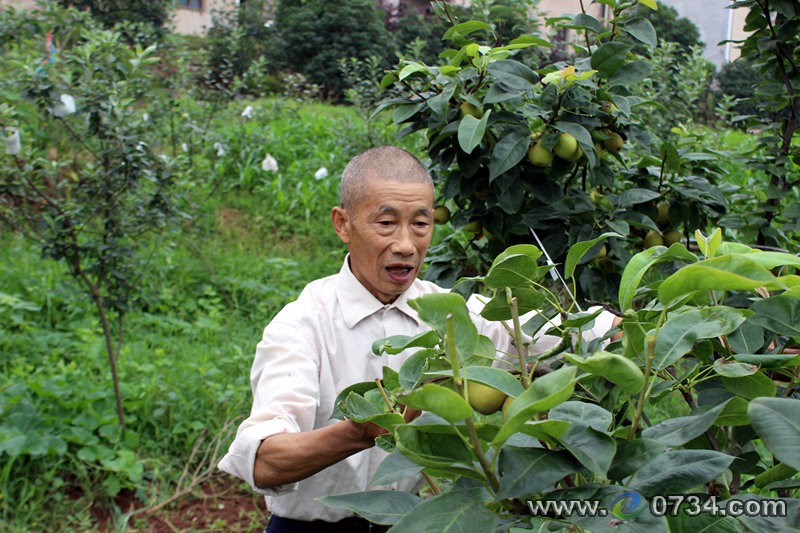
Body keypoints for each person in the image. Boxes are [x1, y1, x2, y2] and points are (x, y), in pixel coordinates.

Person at [218, 146, 615, 532]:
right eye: (386, 223)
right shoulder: (304, 325)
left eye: (421, 224)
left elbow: (562, 331)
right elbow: (265, 461)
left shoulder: (451, 316)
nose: (407, 245)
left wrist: (628, 325)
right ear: (343, 224)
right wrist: (361, 431)